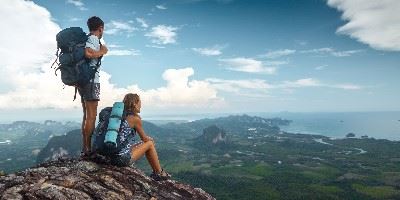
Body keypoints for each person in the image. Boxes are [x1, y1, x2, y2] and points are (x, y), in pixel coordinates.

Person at [97, 93, 171, 181]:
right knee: (150, 144)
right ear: (134, 103)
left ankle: (158, 172)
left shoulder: (116, 116)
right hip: (119, 159)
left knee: (142, 143)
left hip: (105, 155)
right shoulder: (135, 118)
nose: (141, 105)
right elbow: (145, 138)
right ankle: (159, 173)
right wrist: (151, 140)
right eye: (139, 102)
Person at [79, 16, 108, 159]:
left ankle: (85, 148)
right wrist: (102, 51)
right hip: (91, 81)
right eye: (103, 29)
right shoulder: (93, 39)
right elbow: (88, 53)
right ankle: (88, 150)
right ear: (100, 28)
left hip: (83, 81)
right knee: (91, 116)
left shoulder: (86, 39)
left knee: (86, 116)